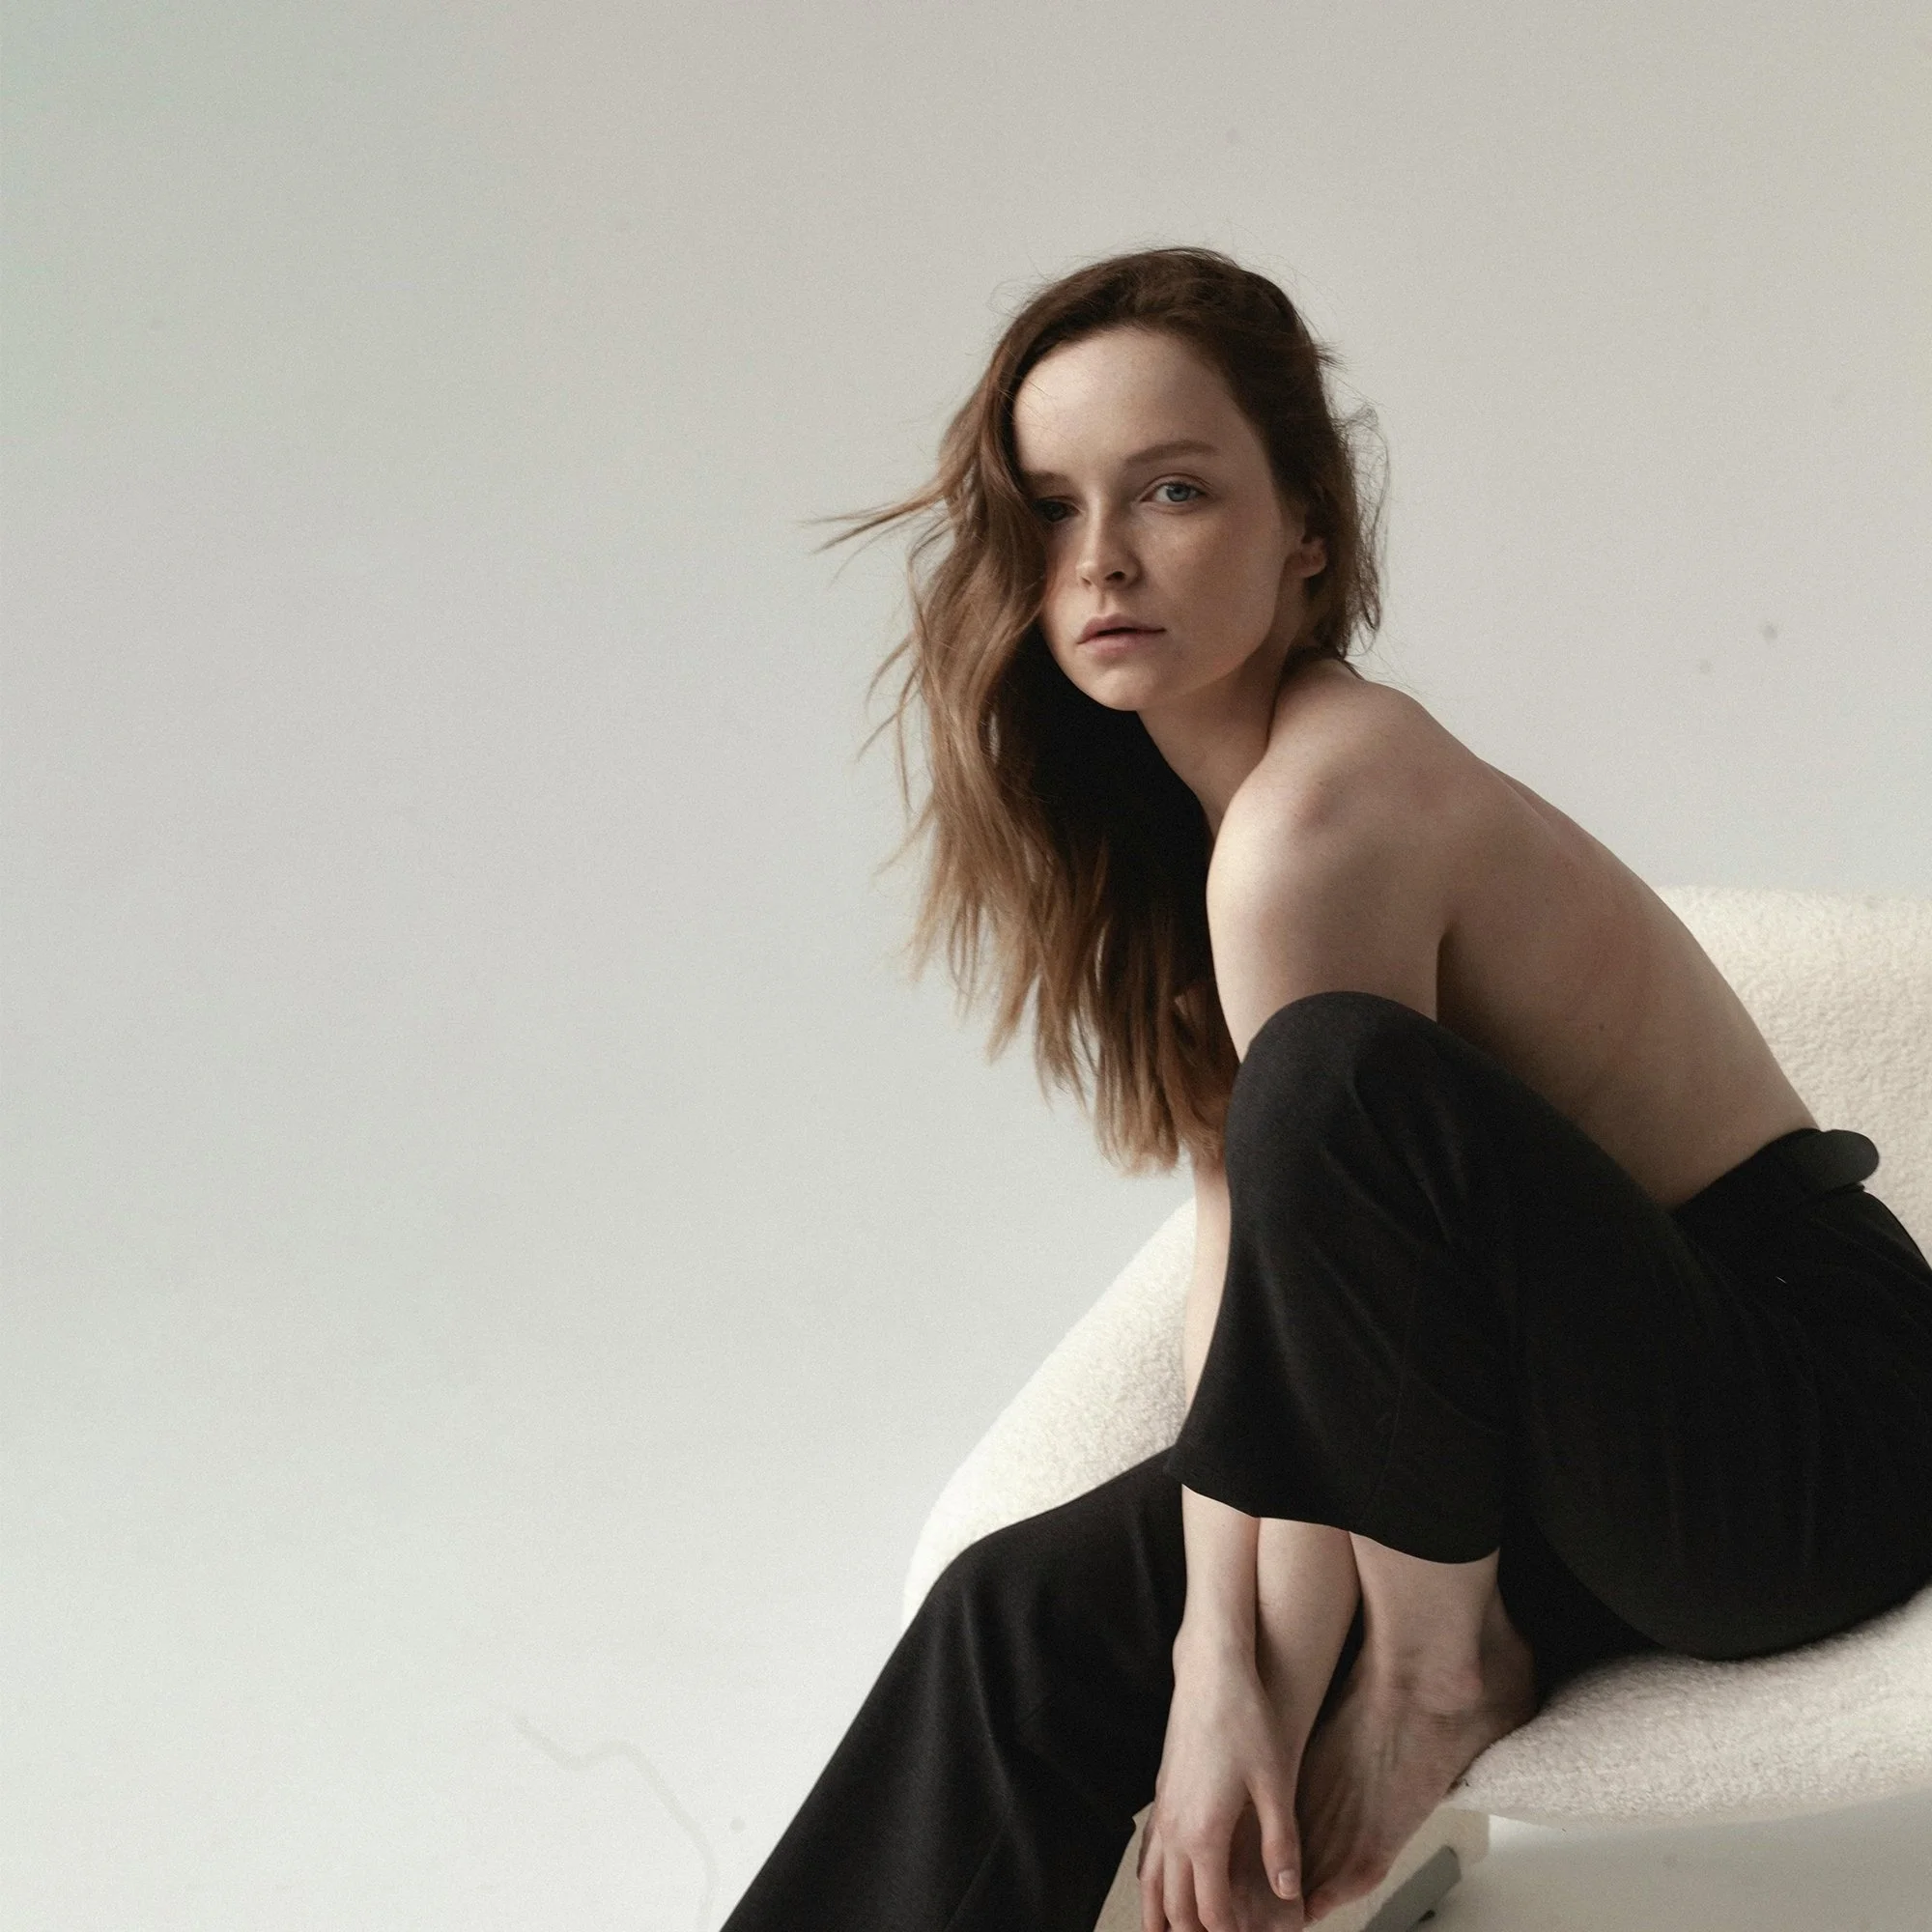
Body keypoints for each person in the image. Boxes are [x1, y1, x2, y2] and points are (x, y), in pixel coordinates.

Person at [721, 247, 1932, 1932]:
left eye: (1173, 491)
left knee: (1331, 1080)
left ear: (1305, 527)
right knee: (1023, 1620)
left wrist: (1279, 1688)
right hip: (1542, 1441)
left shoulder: (1322, 812)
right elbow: (1264, 1285)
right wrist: (1215, 1660)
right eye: (1053, 510)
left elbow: (1325, 1250)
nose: (1102, 559)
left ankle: (1443, 1670)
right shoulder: (1209, 833)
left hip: (1796, 1438)